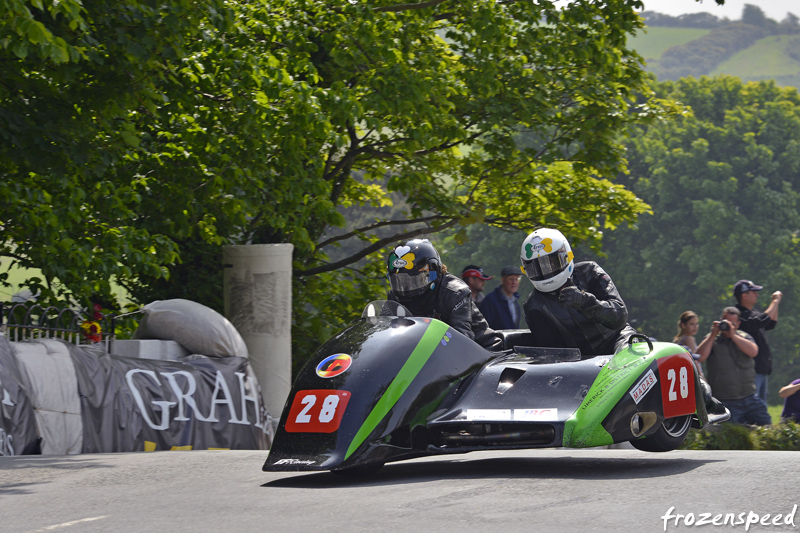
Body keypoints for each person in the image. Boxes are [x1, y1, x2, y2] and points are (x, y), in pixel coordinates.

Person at [519, 228, 636, 356]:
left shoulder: (589, 271)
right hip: (579, 363)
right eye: (536, 268)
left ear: (566, 256)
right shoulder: (533, 304)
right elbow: (550, 352)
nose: (544, 271)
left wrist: (586, 302)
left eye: (550, 263)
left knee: (628, 355)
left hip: (618, 341)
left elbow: (620, 317)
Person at [387, 239, 503, 351]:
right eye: (399, 281)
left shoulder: (455, 293)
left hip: (482, 353)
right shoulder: (395, 296)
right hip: (426, 355)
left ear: (431, 273)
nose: (405, 287)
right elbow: (384, 331)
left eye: (413, 280)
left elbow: (463, 339)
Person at [696, 306, 771, 426]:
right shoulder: (712, 339)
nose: (728, 326)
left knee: (766, 425)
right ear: (720, 321)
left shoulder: (744, 336)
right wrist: (712, 334)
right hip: (726, 400)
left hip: (750, 397)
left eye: (732, 323)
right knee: (733, 433)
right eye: (726, 322)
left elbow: (753, 352)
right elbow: (699, 357)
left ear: (738, 324)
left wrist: (733, 336)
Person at [734, 279, 782, 404]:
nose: (757, 294)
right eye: (753, 292)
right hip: (750, 370)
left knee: (761, 405)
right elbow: (762, 320)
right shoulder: (739, 315)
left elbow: (770, 323)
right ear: (744, 295)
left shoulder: (752, 313)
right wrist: (775, 301)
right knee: (753, 405)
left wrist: (776, 304)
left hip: (760, 368)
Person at [479, 266, 523, 330]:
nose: (514, 282)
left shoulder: (515, 300)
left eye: (517, 279)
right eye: (511, 279)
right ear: (503, 279)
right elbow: (484, 327)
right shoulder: (490, 300)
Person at [673, 310, 704, 379]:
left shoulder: (676, 340)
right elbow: (694, 361)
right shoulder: (689, 339)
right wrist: (701, 377)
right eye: (692, 324)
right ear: (683, 325)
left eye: (696, 324)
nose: (695, 327)